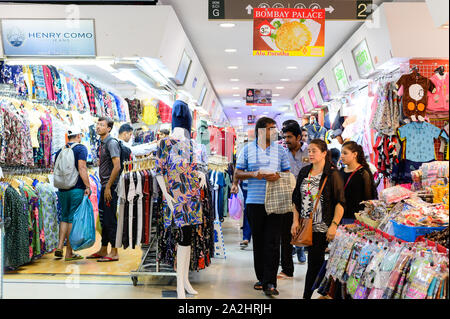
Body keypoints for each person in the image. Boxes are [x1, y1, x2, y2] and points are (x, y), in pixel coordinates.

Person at [235, 117, 291, 296]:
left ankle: (270, 282)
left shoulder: (281, 150)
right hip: (254, 202)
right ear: (260, 131)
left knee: (273, 243)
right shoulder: (247, 150)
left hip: (275, 203)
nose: (275, 131)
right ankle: (261, 277)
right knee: (259, 242)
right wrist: (254, 174)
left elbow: (287, 173)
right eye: (271, 128)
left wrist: (278, 176)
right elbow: (238, 172)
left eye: (275, 128)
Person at [291, 139, 345, 299]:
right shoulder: (304, 171)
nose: (311, 154)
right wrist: (295, 220)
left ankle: (307, 295)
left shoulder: (332, 174)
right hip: (305, 224)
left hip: (322, 226)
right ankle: (327, 291)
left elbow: (340, 203)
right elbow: (296, 198)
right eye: (309, 151)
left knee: (314, 262)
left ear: (324, 153)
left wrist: (334, 225)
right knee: (315, 262)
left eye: (314, 151)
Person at [88, 117, 122, 262]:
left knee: (110, 219)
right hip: (104, 185)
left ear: (109, 128)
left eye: (102, 125)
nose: (98, 127)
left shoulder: (111, 143)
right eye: (98, 124)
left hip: (110, 187)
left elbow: (117, 166)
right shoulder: (102, 143)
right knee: (103, 219)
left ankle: (114, 252)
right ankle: (103, 249)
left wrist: (108, 187)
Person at [54, 127, 91, 261]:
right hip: (76, 188)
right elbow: (82, 167)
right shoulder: (80, 149)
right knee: (72, 219)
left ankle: (59, 246)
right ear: (79, 136)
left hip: (62, 189)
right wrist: (87, 185)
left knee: (64, 216)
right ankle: (69, 253)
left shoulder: (60, 150)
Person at [339, 141, 377, 224]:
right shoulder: (341, 171)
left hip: (356, 218)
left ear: (354, 154)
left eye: (345, 153)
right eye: (341, 153)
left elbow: (369, 198)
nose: (342, 156)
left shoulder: (363, 173)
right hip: (339, 216)